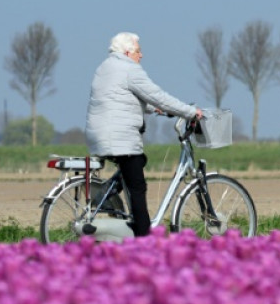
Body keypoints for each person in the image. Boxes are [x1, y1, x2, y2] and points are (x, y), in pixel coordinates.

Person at [85, 32, 202, 236]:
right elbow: (158, 96)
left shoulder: (105, 67)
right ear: (128, 52)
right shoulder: (130, 69)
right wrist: (191, 112)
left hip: (99, 133)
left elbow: (120, 96)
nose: (142, 55)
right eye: (139, 51)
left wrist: (151, 108)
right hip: (120, 137)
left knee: (138, 162)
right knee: (137, 186)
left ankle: (109, 192)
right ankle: (144, 237)